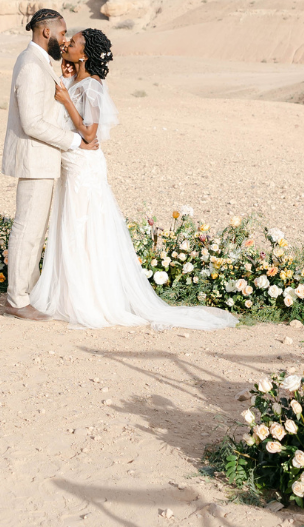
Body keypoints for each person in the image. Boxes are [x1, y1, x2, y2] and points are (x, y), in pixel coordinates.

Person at [28, 28, 238, 331]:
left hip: (84, 166)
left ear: (84, 54)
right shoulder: (78, 81)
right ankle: (69, 294)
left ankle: (88, 300)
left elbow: (89, 132)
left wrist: (65, 99)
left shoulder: (94, 87)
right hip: (73, 163)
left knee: (84, 229)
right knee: (72, 227)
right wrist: (65, 82)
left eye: (72, 43)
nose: (67, 45)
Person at [2, 8, 99, 320]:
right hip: (34, 160)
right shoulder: (31, 64)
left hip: (43, 160)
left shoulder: (41, 62)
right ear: (46, 32)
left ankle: (27, 293)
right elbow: (32, 123)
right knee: (27, 230)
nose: (65, 38)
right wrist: (75, 142)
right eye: (62, 31)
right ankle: (17, 300)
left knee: (34, 230)